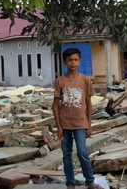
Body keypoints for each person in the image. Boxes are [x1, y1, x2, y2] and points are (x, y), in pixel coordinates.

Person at [52, 48, 100, 189]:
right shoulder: (60, 82)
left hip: (80, 123)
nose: (73, 63)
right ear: (64, 62)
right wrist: (58, 127)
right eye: (70, 60)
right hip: (64, 123)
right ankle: (70, 184)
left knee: (82, 152)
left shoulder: (85, 80)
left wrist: (89, 125)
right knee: (67, 155)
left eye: (76, 60)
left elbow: (89, 104)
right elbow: (55, 105)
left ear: (79, 61)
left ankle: (90, 180)